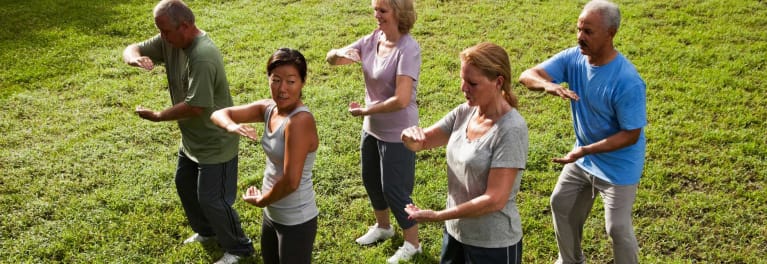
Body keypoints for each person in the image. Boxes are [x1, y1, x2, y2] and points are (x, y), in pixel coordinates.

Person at [121, 0, 254, 263]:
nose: (162, 37)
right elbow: (131, 48)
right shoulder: (171, 39)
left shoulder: (202, 55)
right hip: (192, 140)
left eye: (166, 31)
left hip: (215, 141)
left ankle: (239, 248)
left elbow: (196, 106)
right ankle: (206, 232)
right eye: (159, 31)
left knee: (213, 200)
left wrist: (158, 116)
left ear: (185, 26)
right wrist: (135, 59)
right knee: (184, 185)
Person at [517, 1, 647, 263]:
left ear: (610, 33)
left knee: (617, 228)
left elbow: (631, 134)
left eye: (588, 31)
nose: (580, 37)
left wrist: (586, 149)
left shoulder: (627, 81)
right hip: (584, 158)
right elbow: (526, 75)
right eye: (578, 29)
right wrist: (547, 85)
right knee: (561, 204)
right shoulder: (573, 58)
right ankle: (570, 260)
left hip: (618, 166)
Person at [402, 42, 528, 264]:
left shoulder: (511, 130)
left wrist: (439, 216)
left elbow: (495, 200)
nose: (463, 88)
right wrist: (408, 136)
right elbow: (421, 143)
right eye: (463, 79)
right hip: (456, 234)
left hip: (493, 245)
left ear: (498, 82)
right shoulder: (464, 112)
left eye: (472, 83)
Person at [325, 0, 422, 262]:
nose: (376, 15)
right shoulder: (372, 39)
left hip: (399, 132)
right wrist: (338, 53)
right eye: (375, 10)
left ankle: (413, 243)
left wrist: (367, 111)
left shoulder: (408, 48)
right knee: (370, 179)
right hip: (372, 128)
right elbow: (332, 60)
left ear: (399, 13)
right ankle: (383, 227)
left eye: (382, 11)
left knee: (395, 189)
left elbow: (402, 99)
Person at [210, 48, 319, 264]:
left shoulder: (299, 122)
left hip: (295, 219)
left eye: (291, 81)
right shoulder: (269, 109)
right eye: (276, 80)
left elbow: (290, 181)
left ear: (303, 82)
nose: (282, 89)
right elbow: (218, 114)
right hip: (273, 213)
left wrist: (262, 200)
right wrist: (233, 127)